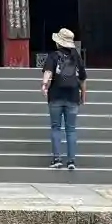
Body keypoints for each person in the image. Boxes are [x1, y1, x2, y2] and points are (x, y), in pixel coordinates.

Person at [41, 27, 87, 170]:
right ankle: (71, 161)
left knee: (56, 128)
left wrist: (44, 85)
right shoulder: (76, 57)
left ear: (58, 42)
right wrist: (83, 95)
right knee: (71, 130)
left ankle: (57, 159)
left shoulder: (53, 56)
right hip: (72, 96)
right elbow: (82, 78)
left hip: (55, 96)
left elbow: (48, 72)